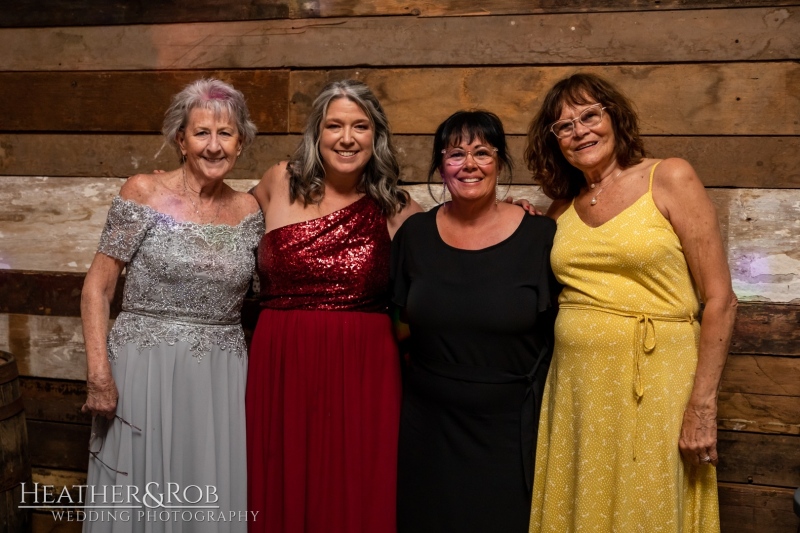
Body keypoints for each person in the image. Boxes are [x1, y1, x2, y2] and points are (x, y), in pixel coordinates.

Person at [525, 73, 738, 532]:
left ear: (614, 118)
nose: (580, 131)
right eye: (564, 126)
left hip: (657, 384)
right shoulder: (560, 209)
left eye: (589, 116)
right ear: (554, 141)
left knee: (648, 508)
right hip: (577, 392)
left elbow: (721, 299)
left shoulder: (670, 177)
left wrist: (702, 407)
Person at [80, 78, 263, 533]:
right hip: (143, 369)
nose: (214, 146)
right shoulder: (142, 191)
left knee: (205, 492)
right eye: (202, 132)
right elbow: (97, 288)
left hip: (219, 377)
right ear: (181, 139)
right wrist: (99, 372)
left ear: (241, 142)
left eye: (226, 134)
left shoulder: (251, 212)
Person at [246, 79, 421, 533]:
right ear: (317, 134)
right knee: (279, 478)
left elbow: (462, 235)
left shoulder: (397, 209)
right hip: (281, 362)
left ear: (376, 136)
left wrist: (516, 209)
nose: (347, 138)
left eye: (360, 126)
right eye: (334, 125)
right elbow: (220, 217)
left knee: (356, 485)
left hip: (364, 368)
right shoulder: (278, 181)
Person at [391, 110, 559, 533]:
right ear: (440, 166)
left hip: (509, 429)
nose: (469, 164)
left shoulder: (540, 237)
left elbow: (558, 334)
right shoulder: (415, 235)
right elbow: (398, 321)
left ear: (500, 162)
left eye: (482, 152)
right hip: (428, 425)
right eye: (455, 154)